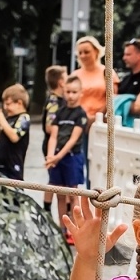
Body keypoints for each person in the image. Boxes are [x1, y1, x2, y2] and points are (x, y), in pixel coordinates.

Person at [47, 75, 89, 222]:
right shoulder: (60, 112)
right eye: (68, 92)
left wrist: (57, 157)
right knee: (60, 193)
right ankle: (63, 227)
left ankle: (76, 225)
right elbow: (53, 136)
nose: (70, 96)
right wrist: (51, 156)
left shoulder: (81, 114)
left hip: (72, 157)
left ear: (81, 93)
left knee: (72, 193)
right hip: (57, 156)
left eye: (74, 92)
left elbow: (74, 139)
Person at [0, 83, 32, 181]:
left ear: (19, 103)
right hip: (2, 163)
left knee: (14, 190)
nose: (5, 107)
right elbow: (2, 137)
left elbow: (14, 137)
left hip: (14, 164)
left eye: (8, 104)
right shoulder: (9, 119)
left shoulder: (24, 118)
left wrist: (1, 120)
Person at [71, 34, 108, 122]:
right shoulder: (74, 75)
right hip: (78, 122)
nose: (83, 55)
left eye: (87, 52)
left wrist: (97, 117)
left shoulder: (107, 72)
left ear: (96, 51)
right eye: (80, 53)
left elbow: (113, 99)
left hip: (100, 122)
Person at [42, 63, 67, 161]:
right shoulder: (54, 102)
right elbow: (49, 127)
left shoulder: (60, 100)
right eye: (67, 78)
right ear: (61, 82)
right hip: (53, 147)